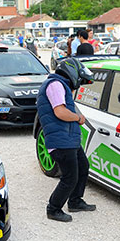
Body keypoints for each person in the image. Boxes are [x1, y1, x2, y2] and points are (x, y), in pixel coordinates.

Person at [36, 58, 96, 222]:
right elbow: (60, 112)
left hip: (68, 139)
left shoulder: (61, 85)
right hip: (61, 140)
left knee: (83, 168)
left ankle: (75, 201)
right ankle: (53, 208)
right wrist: (78, 118)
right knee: (70, 177)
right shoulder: (55, 85)